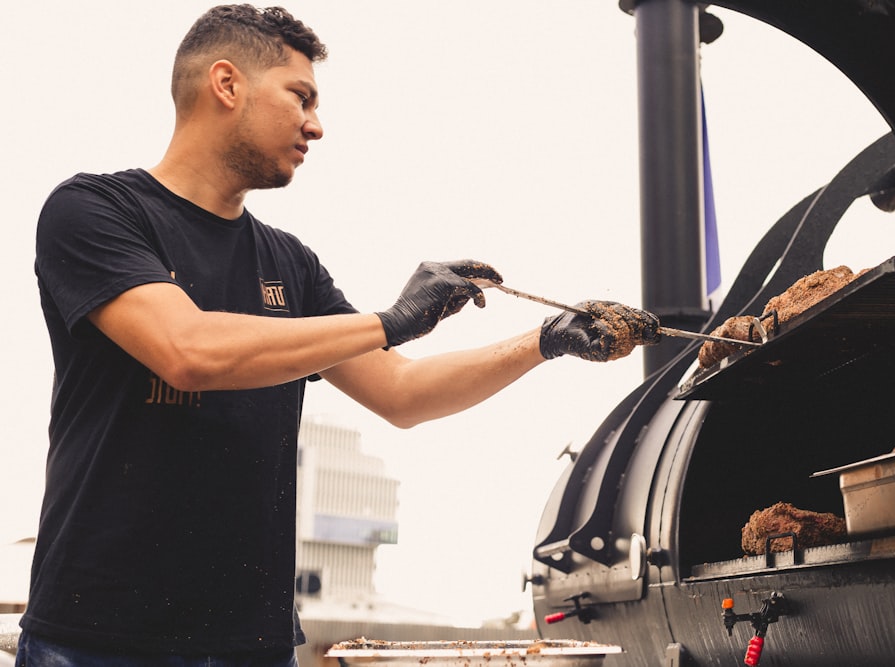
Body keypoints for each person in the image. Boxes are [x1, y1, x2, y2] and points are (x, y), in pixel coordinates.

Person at [17, 4, 661, 666]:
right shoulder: (93, 212)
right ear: (227, 83)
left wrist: (545, 339)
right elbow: (187, 350)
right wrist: (393, 319)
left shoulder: (290, 264)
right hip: (96, 640)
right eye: (301, 97)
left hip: (252, 646)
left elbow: (401, 390)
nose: (316, 126)